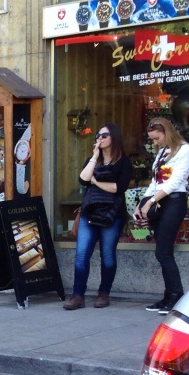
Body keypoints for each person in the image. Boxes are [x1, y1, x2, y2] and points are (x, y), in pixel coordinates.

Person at [64, 123, 130, 310]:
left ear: (114, 137)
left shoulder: (123, 162)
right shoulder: (92, 160)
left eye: (104, 135)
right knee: (81, 254)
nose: (99, 138)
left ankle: (104, 293)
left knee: (108, 255)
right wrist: (94, 157)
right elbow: (83, 179)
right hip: (89, 212)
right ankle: (78, 296)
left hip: (112, 214)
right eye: (97, 135)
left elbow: (118, 188)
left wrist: (95, 181)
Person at [135, 117, 189, 314]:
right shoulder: (162, 152)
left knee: (163, 251)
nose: (155, 143)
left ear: (167, 132)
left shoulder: (184, 149)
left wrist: (151, 201)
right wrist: (142, 202)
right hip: (159, 200)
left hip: (174, 201)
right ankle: (169, 295)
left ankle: (176, 295)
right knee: (163, 252)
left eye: (156, 138)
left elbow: (176, 181)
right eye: (152, 139)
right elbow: (155, 181)